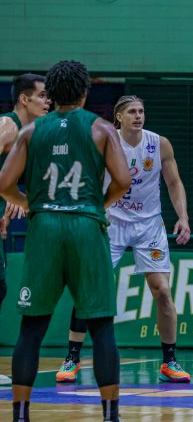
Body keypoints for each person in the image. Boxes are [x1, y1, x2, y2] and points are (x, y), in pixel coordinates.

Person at [0, 60, 131, 422]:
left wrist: (31, 204)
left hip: (45, 227)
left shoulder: (31, 131)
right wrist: (98, 205)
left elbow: (4, 183)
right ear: (85, 92)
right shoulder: (101, 128)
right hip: (86, 225)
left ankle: (20, 415)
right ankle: (110, 416)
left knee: (31, 329)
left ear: (52, 95)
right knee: (101, 327)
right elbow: (123, 181)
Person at [56, 95, 193, 384]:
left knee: (162, 292)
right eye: (132, 111)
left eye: (141, 111)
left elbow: (174, 182)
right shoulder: (106, 141)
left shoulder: (159, 144)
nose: (138, 116)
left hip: (149, 225)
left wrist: (183, 216)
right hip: (112, 222)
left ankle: (169, 361)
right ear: (118, 116)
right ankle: (71, 359)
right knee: (89, 288)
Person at [0, 73, 50, 387]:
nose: (48, 102)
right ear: (24, 98)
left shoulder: (29, 134)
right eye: (42, 95)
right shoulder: (7, 126)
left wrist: (12, 200)